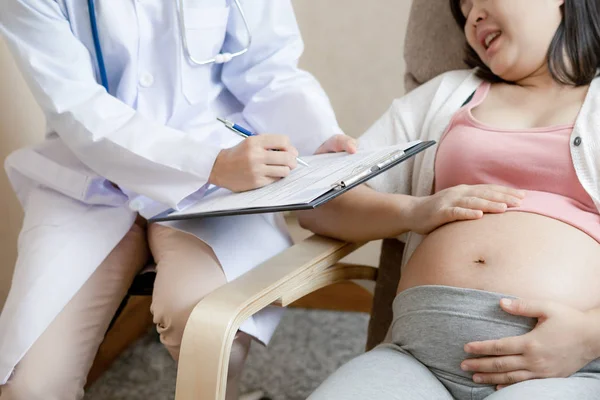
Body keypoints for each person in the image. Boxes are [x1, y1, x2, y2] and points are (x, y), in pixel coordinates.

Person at [0, 1, 356, 399]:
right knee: (29, 387)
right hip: (89, 174)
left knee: (206, 327)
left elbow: (268, 66)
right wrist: (208, 164)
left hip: (221, 172)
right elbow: (75, 104)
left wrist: (318, 139)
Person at [299, 0, 600, 398]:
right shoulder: (445, 96)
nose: (472, 15)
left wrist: (588, 338)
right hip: (413, 359)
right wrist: (414, 210)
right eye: (465, 6)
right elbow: (321, 203)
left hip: (566, 371)